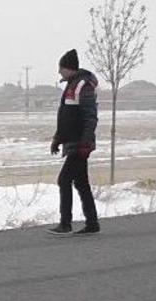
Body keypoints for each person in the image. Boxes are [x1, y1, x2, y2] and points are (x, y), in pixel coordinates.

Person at [48, 49, 101, 235]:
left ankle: (65, 224)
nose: (59, 72)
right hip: (72, 142)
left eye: (61, 68)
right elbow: (66, 118)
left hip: (80, 144)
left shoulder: (82, 86)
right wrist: (57, 139)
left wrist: (85, 144)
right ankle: (92, 224)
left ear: (68, 68)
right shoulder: (71, 85)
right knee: (81, 183)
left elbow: (90, 118)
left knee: (64, 180)